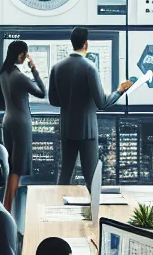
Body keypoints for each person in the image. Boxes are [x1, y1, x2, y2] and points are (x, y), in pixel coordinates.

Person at [48, 27, 131, 185]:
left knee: (65, 174)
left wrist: (69, 101)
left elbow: (53, 101)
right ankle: (91, 202)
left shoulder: (56, 68)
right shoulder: (90, 68)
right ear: (86, 44)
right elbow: (102, 103)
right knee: (91, 177)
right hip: (87, 131)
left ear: (72, 43)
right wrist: (120, 90)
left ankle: (58, 200)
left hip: (67, 129)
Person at [0, 40, 45, 211]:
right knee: (16, 170)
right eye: (25, 54)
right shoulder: (19, 77)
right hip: (21, 124)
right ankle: (7, 210)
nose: (26, 57)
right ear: (20, 55)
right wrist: (34, 70)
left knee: (11, 167)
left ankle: (4, 208)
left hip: (8, 120)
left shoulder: (3, 74)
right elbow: (42, 92)